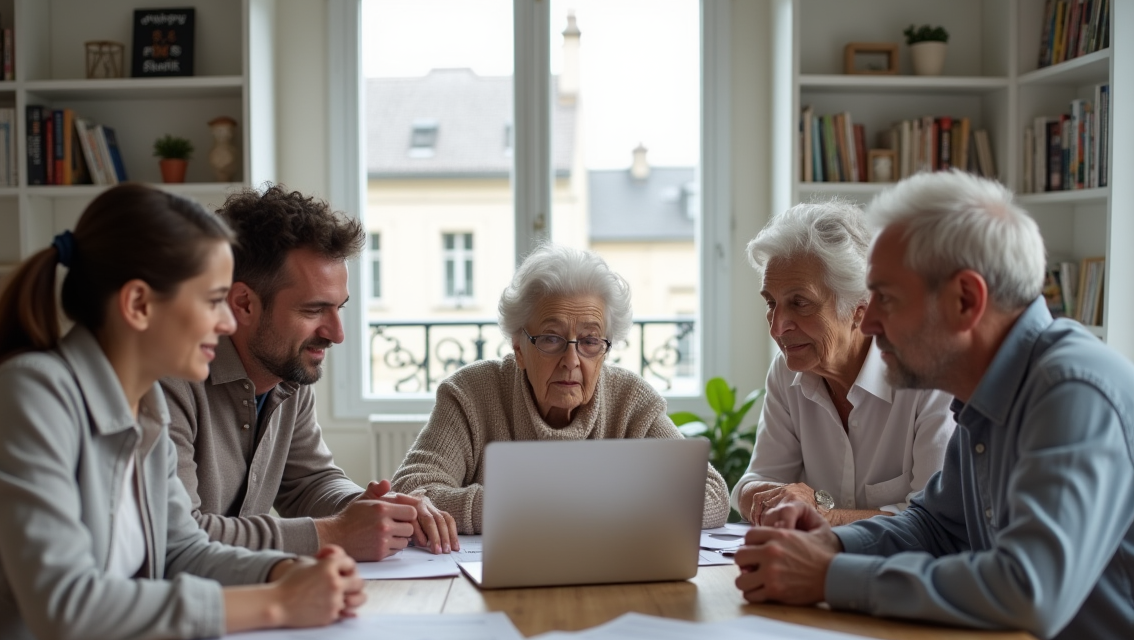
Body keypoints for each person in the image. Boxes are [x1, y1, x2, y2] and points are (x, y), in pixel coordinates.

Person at [0, 184, 365, 640]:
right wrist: (274, 604)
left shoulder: (144, 411)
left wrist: (280, 573)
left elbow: (180, 551)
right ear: (138, 305)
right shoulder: (32, 395)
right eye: (214, 299)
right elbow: (67, 608)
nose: (226, 320)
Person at [734, 171, 1134, 640]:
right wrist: (829, 541)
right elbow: (935, 526)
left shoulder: (1070, 388)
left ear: (966, 300)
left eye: (886, 298)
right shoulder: (986, 389)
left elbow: (1028, 590)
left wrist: (829, 576)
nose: (868, 320)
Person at [161, 185, 457, 562]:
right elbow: (182, 537)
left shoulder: (286, 374)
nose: (337, 334)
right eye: (314, 310)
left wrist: (370, 508)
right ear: (243, 304)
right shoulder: (169, 377)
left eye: (339, 308)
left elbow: (308, 481)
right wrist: (335, 532)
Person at [392, 242, 731, 533]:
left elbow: (712, 496)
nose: (572, 360)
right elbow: (410, 492)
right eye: (552, 338)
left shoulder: (631, 400)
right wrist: (523, 505)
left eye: (589, 340)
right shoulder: (472, 393)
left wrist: (591, 504)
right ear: (519, 347)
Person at [732, 200, 956, 525]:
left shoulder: (929, 375)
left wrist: (824, 514)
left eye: (800, 303)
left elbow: (934, 522)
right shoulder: (786, 372)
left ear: (859, 311)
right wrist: (765, 496)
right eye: (771, 303)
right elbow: (758, 478)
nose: (777, 327)